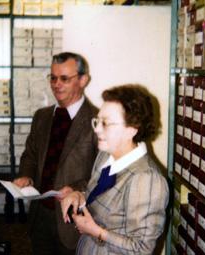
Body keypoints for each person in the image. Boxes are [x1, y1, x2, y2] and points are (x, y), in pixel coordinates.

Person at [61, 84, 169, 254]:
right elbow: (99, 195)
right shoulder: (106, 155)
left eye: (106, 123)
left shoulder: (146, 179)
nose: (96, 128)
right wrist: (79, 196)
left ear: (132, 129)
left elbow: (142, 249)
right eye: (97, 121)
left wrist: (97, 232)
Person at [13, 52, 98, 255]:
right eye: (53, 77)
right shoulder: (41, 117)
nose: (56, 84)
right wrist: (26, 175)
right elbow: (30, 155)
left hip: (74, 220)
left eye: (64, 79)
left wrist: (77, 188)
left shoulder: (97, 121)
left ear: (83, 80)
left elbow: (103, 173)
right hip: (40, 215)